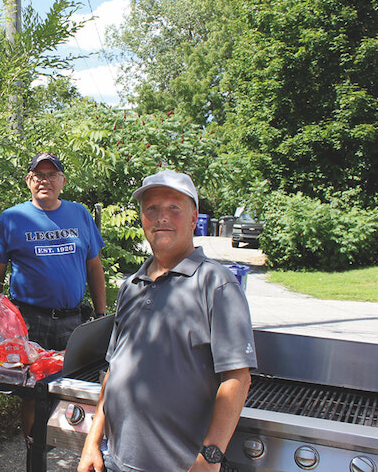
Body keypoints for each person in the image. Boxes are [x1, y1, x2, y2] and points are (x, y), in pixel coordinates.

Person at [79, 171, 257, 472]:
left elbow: (237, 379)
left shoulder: (216, 284)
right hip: (116, 461)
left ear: (193, 218)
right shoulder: (131, 285)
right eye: (151, 209)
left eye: (174, 207)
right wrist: (92, 442)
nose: (161, 217)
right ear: (142, 219)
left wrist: (209, 460)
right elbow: (114, 368)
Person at [0, 152, 106, 440]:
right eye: (39, 175)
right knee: (30, 393)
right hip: (29, 323)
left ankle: (76, 454)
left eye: (52, 175)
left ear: (62, 181)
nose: (45, 181)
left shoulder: (79, 214)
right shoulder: (12, 218)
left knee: (77, 390)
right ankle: (34, 454)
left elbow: (94, 267)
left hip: (74, 322)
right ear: (29, 180)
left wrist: (102, 317)